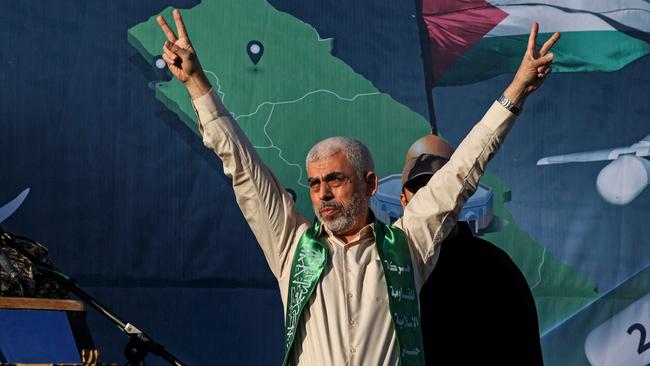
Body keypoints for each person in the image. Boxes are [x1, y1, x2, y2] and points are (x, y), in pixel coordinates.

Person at [156, 9, 559, 365]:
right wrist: (196, 83)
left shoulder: (407, 245)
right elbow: (242, 167)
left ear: (369, 184)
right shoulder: (292, 247)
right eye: (314, 184)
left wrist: (516, 90)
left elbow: (462, 170)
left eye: (335, 179)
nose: (323, 194)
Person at [400, 136, 543, 365]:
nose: (429, 201)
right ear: (403, 201)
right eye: (420, 191)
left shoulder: (495, 268)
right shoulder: (387, 264)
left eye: (439, 190)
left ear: (458, 197)